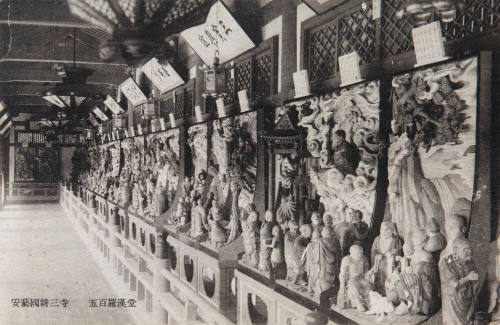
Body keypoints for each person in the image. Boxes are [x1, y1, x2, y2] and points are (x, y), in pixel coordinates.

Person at [439, 236, 479, 325]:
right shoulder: (447, 263)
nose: (469, 252)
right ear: (456, 249)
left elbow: (475, 279)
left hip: (468, 297)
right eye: (465, 249)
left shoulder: (469, 261)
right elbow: (453, 284)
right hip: (454, 299)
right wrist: (468, 278)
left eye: (469, 249)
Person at [337, 245, 372, 312]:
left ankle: (367, 303)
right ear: (351, 252)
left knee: (368, 284)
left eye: (361, 253)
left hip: (360, 278)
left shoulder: (363, 258)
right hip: (350, 279)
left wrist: (368, 277)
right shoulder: (346, 259)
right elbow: (342, 274)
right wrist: (342, 284)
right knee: (353, 286)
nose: (360, 255)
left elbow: (366, 271)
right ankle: (358, 304)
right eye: (358, 253)